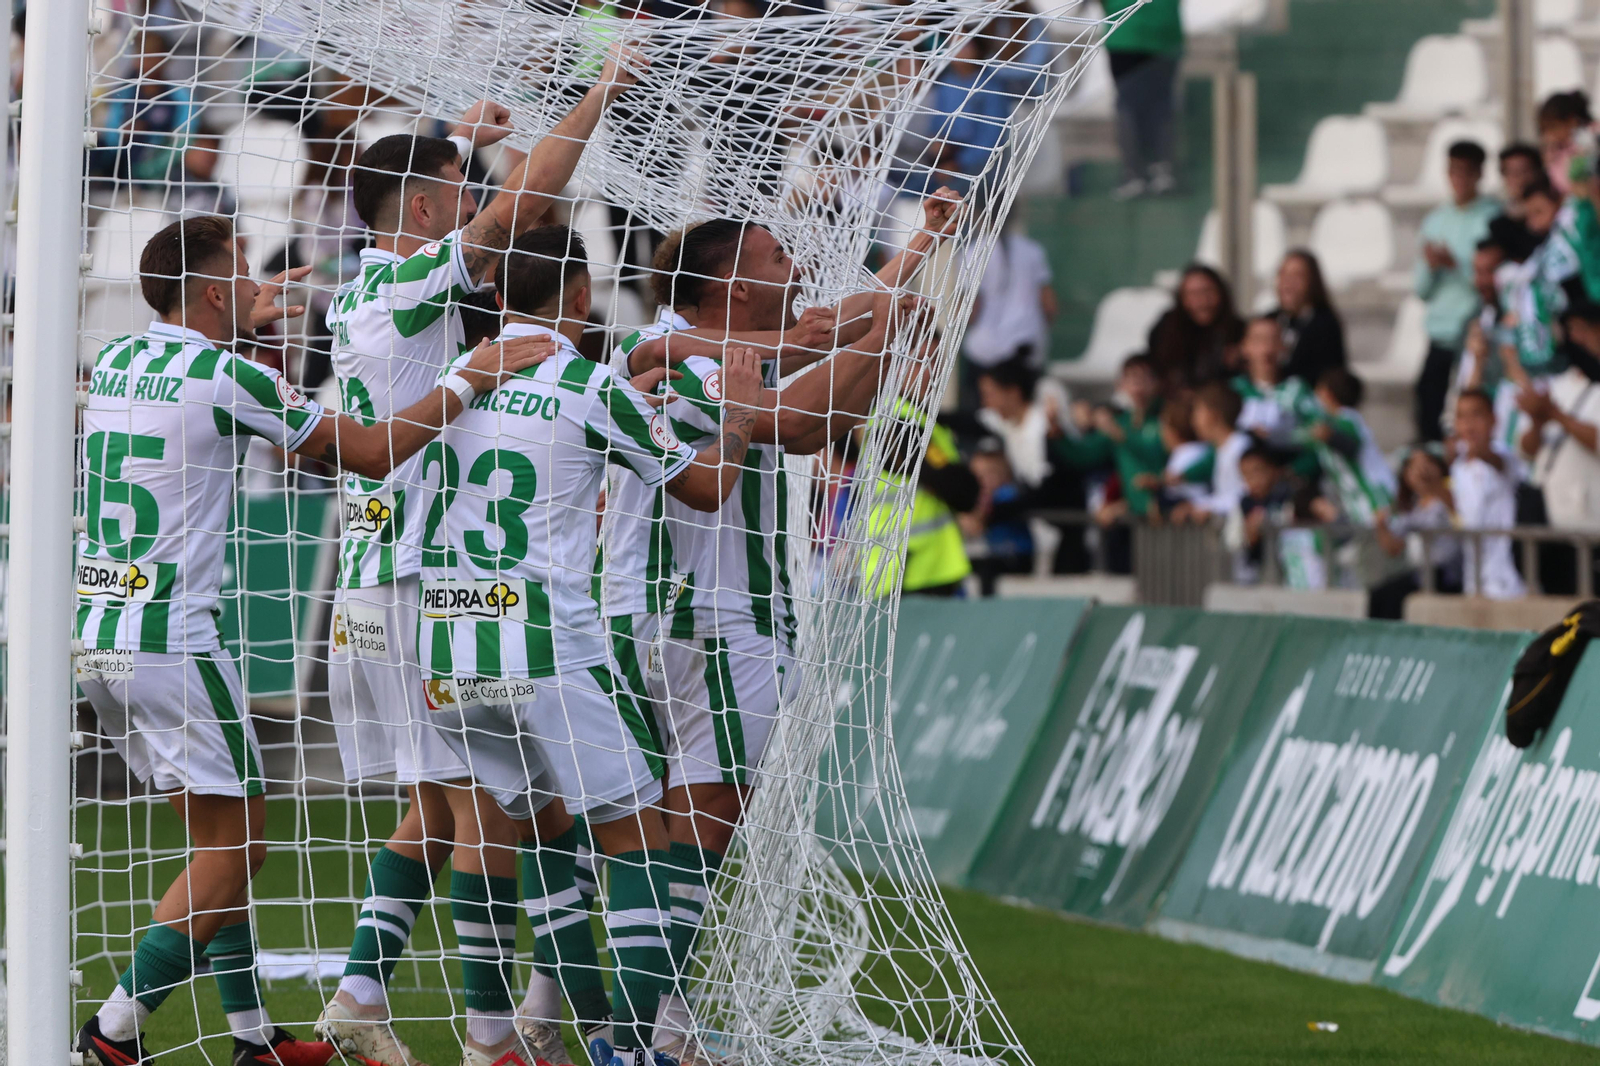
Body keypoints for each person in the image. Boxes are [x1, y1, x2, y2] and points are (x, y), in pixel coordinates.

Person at [72, 215, 550, 1066]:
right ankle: (113, 1035)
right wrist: (469, 379)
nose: (265, 285)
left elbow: (199, 348)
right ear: (217, 291)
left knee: (215, 842)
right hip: (172, 637)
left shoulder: (115, 358)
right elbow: (366, 451)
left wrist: (245, 313)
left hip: (100, 632)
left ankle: (254, 1041)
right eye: (249, 274)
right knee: (244, 843)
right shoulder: (232, 376)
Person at [316, 45, 647, 1066]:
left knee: (444, 802)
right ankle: (497, 1037)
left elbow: (425, 198)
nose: (469, 204)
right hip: (418, 575)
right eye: (452, 192)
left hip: (367, 573)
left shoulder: (358, 288)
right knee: (490, 807)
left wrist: (457, 139)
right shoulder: (420, 278)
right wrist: (601, 92)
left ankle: (365, 993)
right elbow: (525, 208)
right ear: (418, 210)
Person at [413, 223, 772, 1066]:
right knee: (641, 842)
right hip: (548, 647)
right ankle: (634, 1046)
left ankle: (512, 1035)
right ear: (580, 297)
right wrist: (743, 421)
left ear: (499, 295)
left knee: (535, 833)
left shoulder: (453, 382)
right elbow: (707, 486)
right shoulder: (587, 388)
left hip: (449, 655)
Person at [607, 213, 927, 1062]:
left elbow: (820, 403)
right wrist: (889, 319)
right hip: (709, 620)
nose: (796, 266)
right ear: (736, 283)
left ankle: (652, 1027)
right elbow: (787, 422)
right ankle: (632, 1037)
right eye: (777, 255)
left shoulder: (701, 345)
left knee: (662, 827)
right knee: (701, 826)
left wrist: (918, 258)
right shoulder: (681, 353)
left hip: (657, 616)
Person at [1414, 140, 1501, 441]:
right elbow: (1421, 290)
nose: (1459, 179)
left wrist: (1456, 265)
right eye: (1454, 172)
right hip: (1441, 331)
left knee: (1474, 403)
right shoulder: (1434, 220)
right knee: (1428, 406)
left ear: (1479, 174)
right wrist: (1432, 266)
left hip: (1476, 327)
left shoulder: (1493, 218)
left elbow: (1493, 278)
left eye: (1466, 172)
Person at [1518, 300, 1600, 531]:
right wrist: (1537, 420)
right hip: (1548, 516)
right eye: (1570, 331)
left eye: (1582, 329)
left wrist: (1555, 414)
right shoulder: (1560, 385)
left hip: (1589, 521)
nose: (1575, 339)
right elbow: (1525, 450)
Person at [961, 210, 1057, 406]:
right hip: (1025, 348)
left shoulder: (973, 253)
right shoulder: (1032, 250)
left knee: (984, 415)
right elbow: (1049, 305)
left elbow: (972, 310)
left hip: (985, 351)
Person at [1101, 0, 1182, 200]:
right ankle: (1162, 169)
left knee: (1128, 104)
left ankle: (1133, 174)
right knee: (1161, 103)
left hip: (1125, 32)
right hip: (1164, 32)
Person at [1452, 387, 1527, 600]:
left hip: (1509, 586)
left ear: (1494, 420)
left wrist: (1478, 451)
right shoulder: (1458, 468)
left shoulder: (1505, 457)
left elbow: (1493, 458)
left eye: (1476, 415)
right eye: (1461, 416)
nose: (1468, 424)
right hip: (1473, 585)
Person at [1371, 447, 1462, 619]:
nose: (1421, 470)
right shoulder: (1414, 508)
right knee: (1378, 596)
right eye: (1413, 467)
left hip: (1447, 574)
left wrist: (1431, 480)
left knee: (1393, 598)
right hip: (1421, 572)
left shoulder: (1448, 494)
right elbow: (1393, 548)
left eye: (1428, 464)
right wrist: (1381, 526)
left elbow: (1453, 506)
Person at [1306, 368, 1395, 527]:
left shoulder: (1347, 419)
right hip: (1357, 504)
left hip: (1374, 500)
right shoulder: (1332, 423)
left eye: (1319, 390)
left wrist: (1331, 437)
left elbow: (1350, 446)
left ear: (1328, 394)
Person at [1146, 264, 1245, 393]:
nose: (1202, 301)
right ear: (1182, 298)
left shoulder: (1239, 331)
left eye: (1207, 291)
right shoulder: (1166, 331)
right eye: (1193, 294)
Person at [1232, 314, 1320, 446]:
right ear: (1244, 346)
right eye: (1258, 340)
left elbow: (1318, 435)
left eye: (1273, 340)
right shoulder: (1232, 391)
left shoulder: (1297, 390)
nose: (1267, 349)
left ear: (1284, 347)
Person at [1272, 250, 1346, 388]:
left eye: (1297, 275)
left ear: (1312, 281)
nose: (1288, 282)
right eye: (1283, 274)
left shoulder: (1325, 325)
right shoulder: (1268, 320)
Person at [1185, 382, 1251, 522]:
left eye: (1197, 411)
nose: (1193, 421)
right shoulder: (1222, 449)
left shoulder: (1241, 447)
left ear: (1213, 414)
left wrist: (1207, 506)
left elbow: (1246, 494)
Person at [1491, 143, 1548, 262]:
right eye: (1512, 172)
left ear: (1539, 172)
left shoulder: (1559, 214)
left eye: (1525, 170)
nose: (1520, 178)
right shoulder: (1499, 226)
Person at [1540, 90, 1594, 197]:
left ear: (1571, 121)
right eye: (1545, 129)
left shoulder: (1589, 140)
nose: (1550, 135)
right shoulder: (1557, 151)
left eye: (1553, 127)